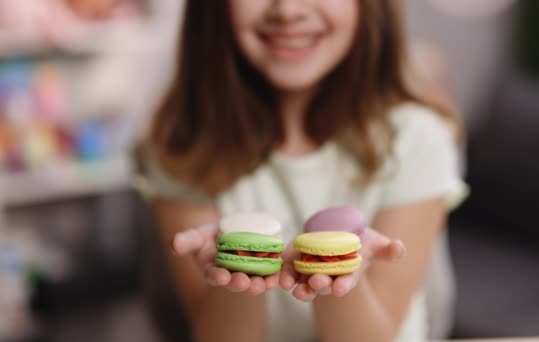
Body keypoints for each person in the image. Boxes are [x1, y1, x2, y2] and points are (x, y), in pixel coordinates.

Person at [136, 0, 467, 341]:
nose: (288, 10)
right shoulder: (183, 147)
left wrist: (339, 279)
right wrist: (239, 275)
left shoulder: (416, 139)